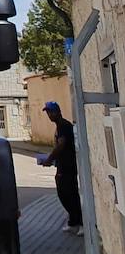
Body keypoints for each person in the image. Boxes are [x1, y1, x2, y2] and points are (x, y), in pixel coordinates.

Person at [38, 101, 83, 235]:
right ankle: (73, 222)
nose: (49, 115)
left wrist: (50, 159)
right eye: (47, 112)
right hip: (62, 165)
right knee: (64, 194)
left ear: (58, 111)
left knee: (69, 194)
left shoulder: (64, 125)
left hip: (68, 166)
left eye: (51, 112)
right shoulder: (59, 126)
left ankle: (81, 223)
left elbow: (61, 145)